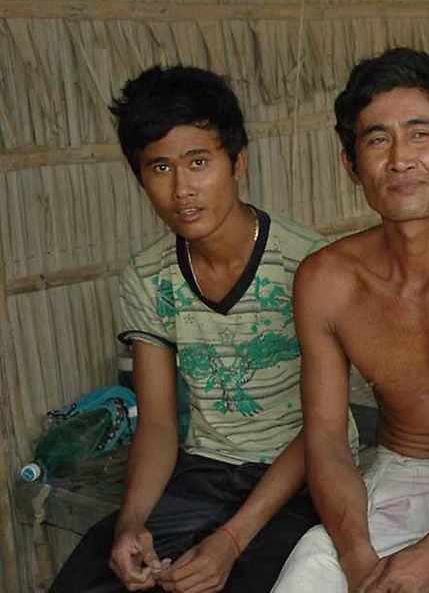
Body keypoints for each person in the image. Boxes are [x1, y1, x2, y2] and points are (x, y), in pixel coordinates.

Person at [49, 65, 357, 593]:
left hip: (307, 473)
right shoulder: (149, 276)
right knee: (95, 576)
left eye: (199, 162)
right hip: (205, 471)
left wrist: (231, 541)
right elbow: (160, 424)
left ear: (236, 161)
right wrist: (131, 524)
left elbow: (321, 430)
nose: (182, 189)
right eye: (160, 168)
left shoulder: (308, 265)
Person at [271, 47, 429, 592]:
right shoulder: (328, 281)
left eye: (421, 134)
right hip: (394, 473)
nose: (400, 159)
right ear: (351, 165)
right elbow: (328, 438)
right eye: (377, 140)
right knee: (307, 575)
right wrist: (357, 557)